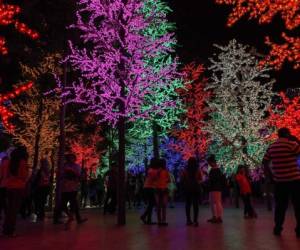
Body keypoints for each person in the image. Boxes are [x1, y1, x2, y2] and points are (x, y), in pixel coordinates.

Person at [263, 128, 300, 237]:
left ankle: (278, 227)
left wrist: (270, 175)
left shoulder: (272, 147)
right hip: (294, 180)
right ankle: (299, 229)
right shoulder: (292, 144)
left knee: (280, 206)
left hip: (280, 181)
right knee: (298, 205)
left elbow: (265, 161)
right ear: (287, 134)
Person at [2, 147, 29, 236]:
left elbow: (3, 174)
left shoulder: (7, 162)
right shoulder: (22, 163)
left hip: (8, 187)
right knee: (14, 210)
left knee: (9, 209)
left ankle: (5, 229)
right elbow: (24, 176)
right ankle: (10, 230)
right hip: (18, 187)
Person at [61, 154, 87, 227]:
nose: (70, 159)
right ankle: (73, 217)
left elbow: (79, 176)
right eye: (69, 158)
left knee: (73, 202)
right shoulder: (64, 166)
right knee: (65, 203)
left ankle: (73, 218)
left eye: (72, 158)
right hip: (66, 186)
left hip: (72, 186)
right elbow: (61, 174)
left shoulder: (76, 166)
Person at [181, 157, 203, 226]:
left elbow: (182, 179)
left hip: (188, 188)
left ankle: (188, 220)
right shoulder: (197, 170)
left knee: (188, 204)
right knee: (195, 205)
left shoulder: (185, 170)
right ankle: (195, 221)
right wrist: (197, 182)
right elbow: (201, 179)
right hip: (195, 188)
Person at [207, 155, 225, 224]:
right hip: (213, 188)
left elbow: (215, 179)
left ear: (212, 162)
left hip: (216, 188)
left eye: (209, 163)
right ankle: (214, 216)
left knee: (217, 202)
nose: (209, 164)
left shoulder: (217, 170)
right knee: (212, 202)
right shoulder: (214, 169)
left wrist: (209, 179)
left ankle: (219, 217)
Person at [140, 158, 159, 225]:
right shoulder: (153, 171)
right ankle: (144, 217)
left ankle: (148, 219)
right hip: (149, 188)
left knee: (151, 204)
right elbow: (155, 179)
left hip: (147, 187)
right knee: (152, 203)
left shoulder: (150, 170)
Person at [155, 159, 170, 226]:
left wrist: (165, 181)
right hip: (159, 189)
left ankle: (163, 220)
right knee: (159, 205)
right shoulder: (157, 171)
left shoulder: (166, 171)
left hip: (163, 189)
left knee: (163, 205)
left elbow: (168, 179)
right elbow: (154, 178)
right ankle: (160, 220)